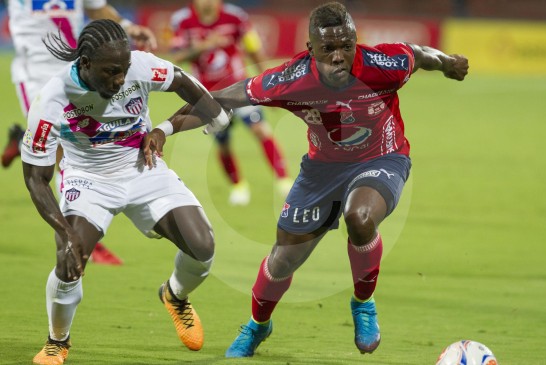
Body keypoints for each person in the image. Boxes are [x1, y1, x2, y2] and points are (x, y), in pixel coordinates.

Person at [150, 1, 469, 357]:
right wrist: (162, 130)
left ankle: (363, 304)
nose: (338, 56)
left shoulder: (383, 65)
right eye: (327, 48)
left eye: (346, 46)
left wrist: (448, 63)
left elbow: (418, 54)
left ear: (355, 42)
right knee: (282, 261)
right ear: (310, 50)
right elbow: (218, 99)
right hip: (321, 172)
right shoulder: (289, 80)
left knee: (359, 217)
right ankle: (258, 326)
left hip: (383, 158)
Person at [21, 19, 231, 365]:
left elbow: (188, 86)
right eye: (111, 72)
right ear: (85, 64)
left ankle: (175, 295)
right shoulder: (52, 100)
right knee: (68, 259)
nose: (120, 80)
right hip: (88, 179)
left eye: (125, 69)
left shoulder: (142, 66)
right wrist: (64, 230)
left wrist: (164, 129)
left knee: (203, 247)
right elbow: (35, 179)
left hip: (143, 168)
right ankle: (57, 341)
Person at [2, 0, 158, 264]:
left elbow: (97, 9)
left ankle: (21, 142)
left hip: (77, 72)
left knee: (84, 138)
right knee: (63, 145)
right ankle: (77, 235)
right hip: (35, 76)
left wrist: (129, 28)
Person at [169, 0, 292, 206]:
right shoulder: (182, 21)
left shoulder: (236, 17)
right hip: (208, 95)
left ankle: (283, 180)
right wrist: (204, 46)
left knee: (260, 129)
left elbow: (253, 48)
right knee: (223, 143)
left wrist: (271, 82)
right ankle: (238, 186)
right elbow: (177, 56)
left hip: (239, 89)